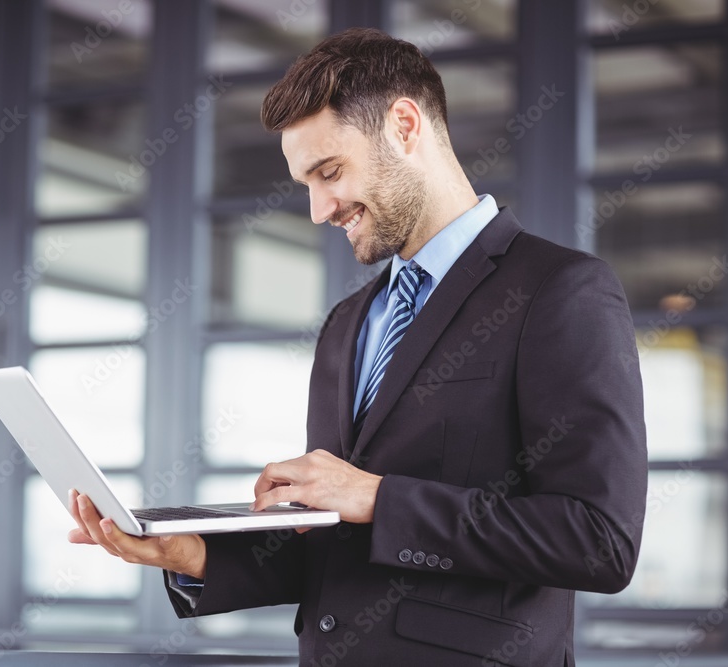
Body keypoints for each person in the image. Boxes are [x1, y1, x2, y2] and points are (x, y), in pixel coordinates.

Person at [67, 27, 647, 666]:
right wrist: (196, 555)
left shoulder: (559, 290)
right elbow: (342, 548)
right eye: (305, 183)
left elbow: (598, 542)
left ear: (404, 126)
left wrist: (378, 496)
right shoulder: (349, 321)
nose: (318, 210)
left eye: (330, 171)